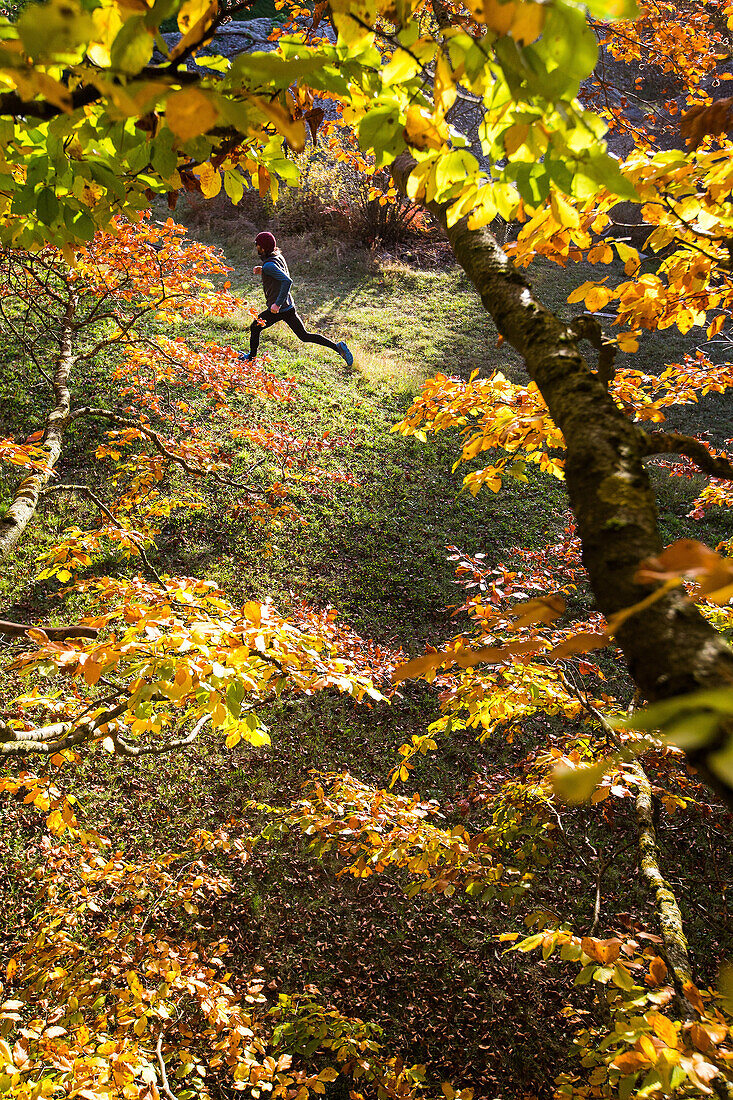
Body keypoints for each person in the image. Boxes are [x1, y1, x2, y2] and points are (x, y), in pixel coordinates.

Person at [241, 232, 354, 366]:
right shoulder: (277, 257)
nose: (256, 248)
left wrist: (277, 304)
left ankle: (251, 358)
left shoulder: (269, 265)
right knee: (304, 336)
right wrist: (263, 271)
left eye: (257, 245)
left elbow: (287, 281)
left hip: (279, 309)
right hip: (288, 306)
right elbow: (279, 272)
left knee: (255, 327)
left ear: (263, 248)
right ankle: (338, 347)